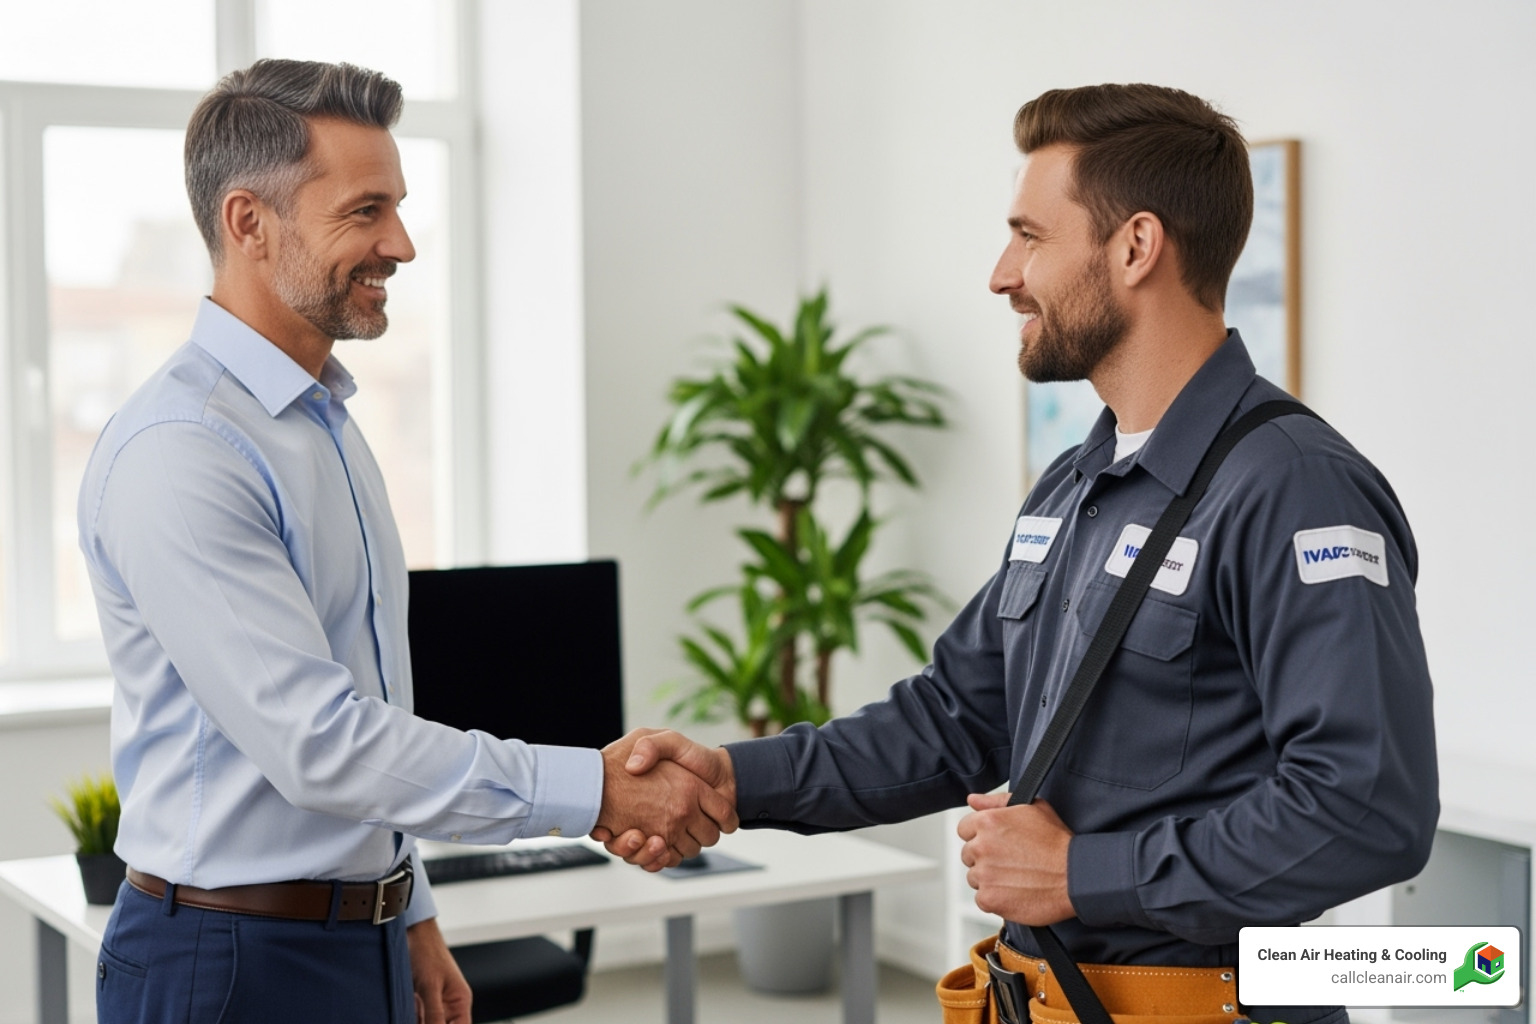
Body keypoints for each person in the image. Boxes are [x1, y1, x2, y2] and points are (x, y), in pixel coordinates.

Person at [599, 84, 1438, 1024]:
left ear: (1135, 247)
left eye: (1030, 236)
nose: (1003, 274)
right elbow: (956, 715)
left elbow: (1367, 810)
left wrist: (1082, 873)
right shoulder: (1076, 481)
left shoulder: (1294, 487)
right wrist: (733, 780)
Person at [78, 59, 731, 1024]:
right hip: (229, 962)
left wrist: (407, 905)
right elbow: (322, 744)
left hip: (358, 938)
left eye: (400, 207)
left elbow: (369, 695)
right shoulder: (184, 451)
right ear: (248, 222)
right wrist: (593, 786)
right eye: (365, 211)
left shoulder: (323, 422)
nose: (404, 244)